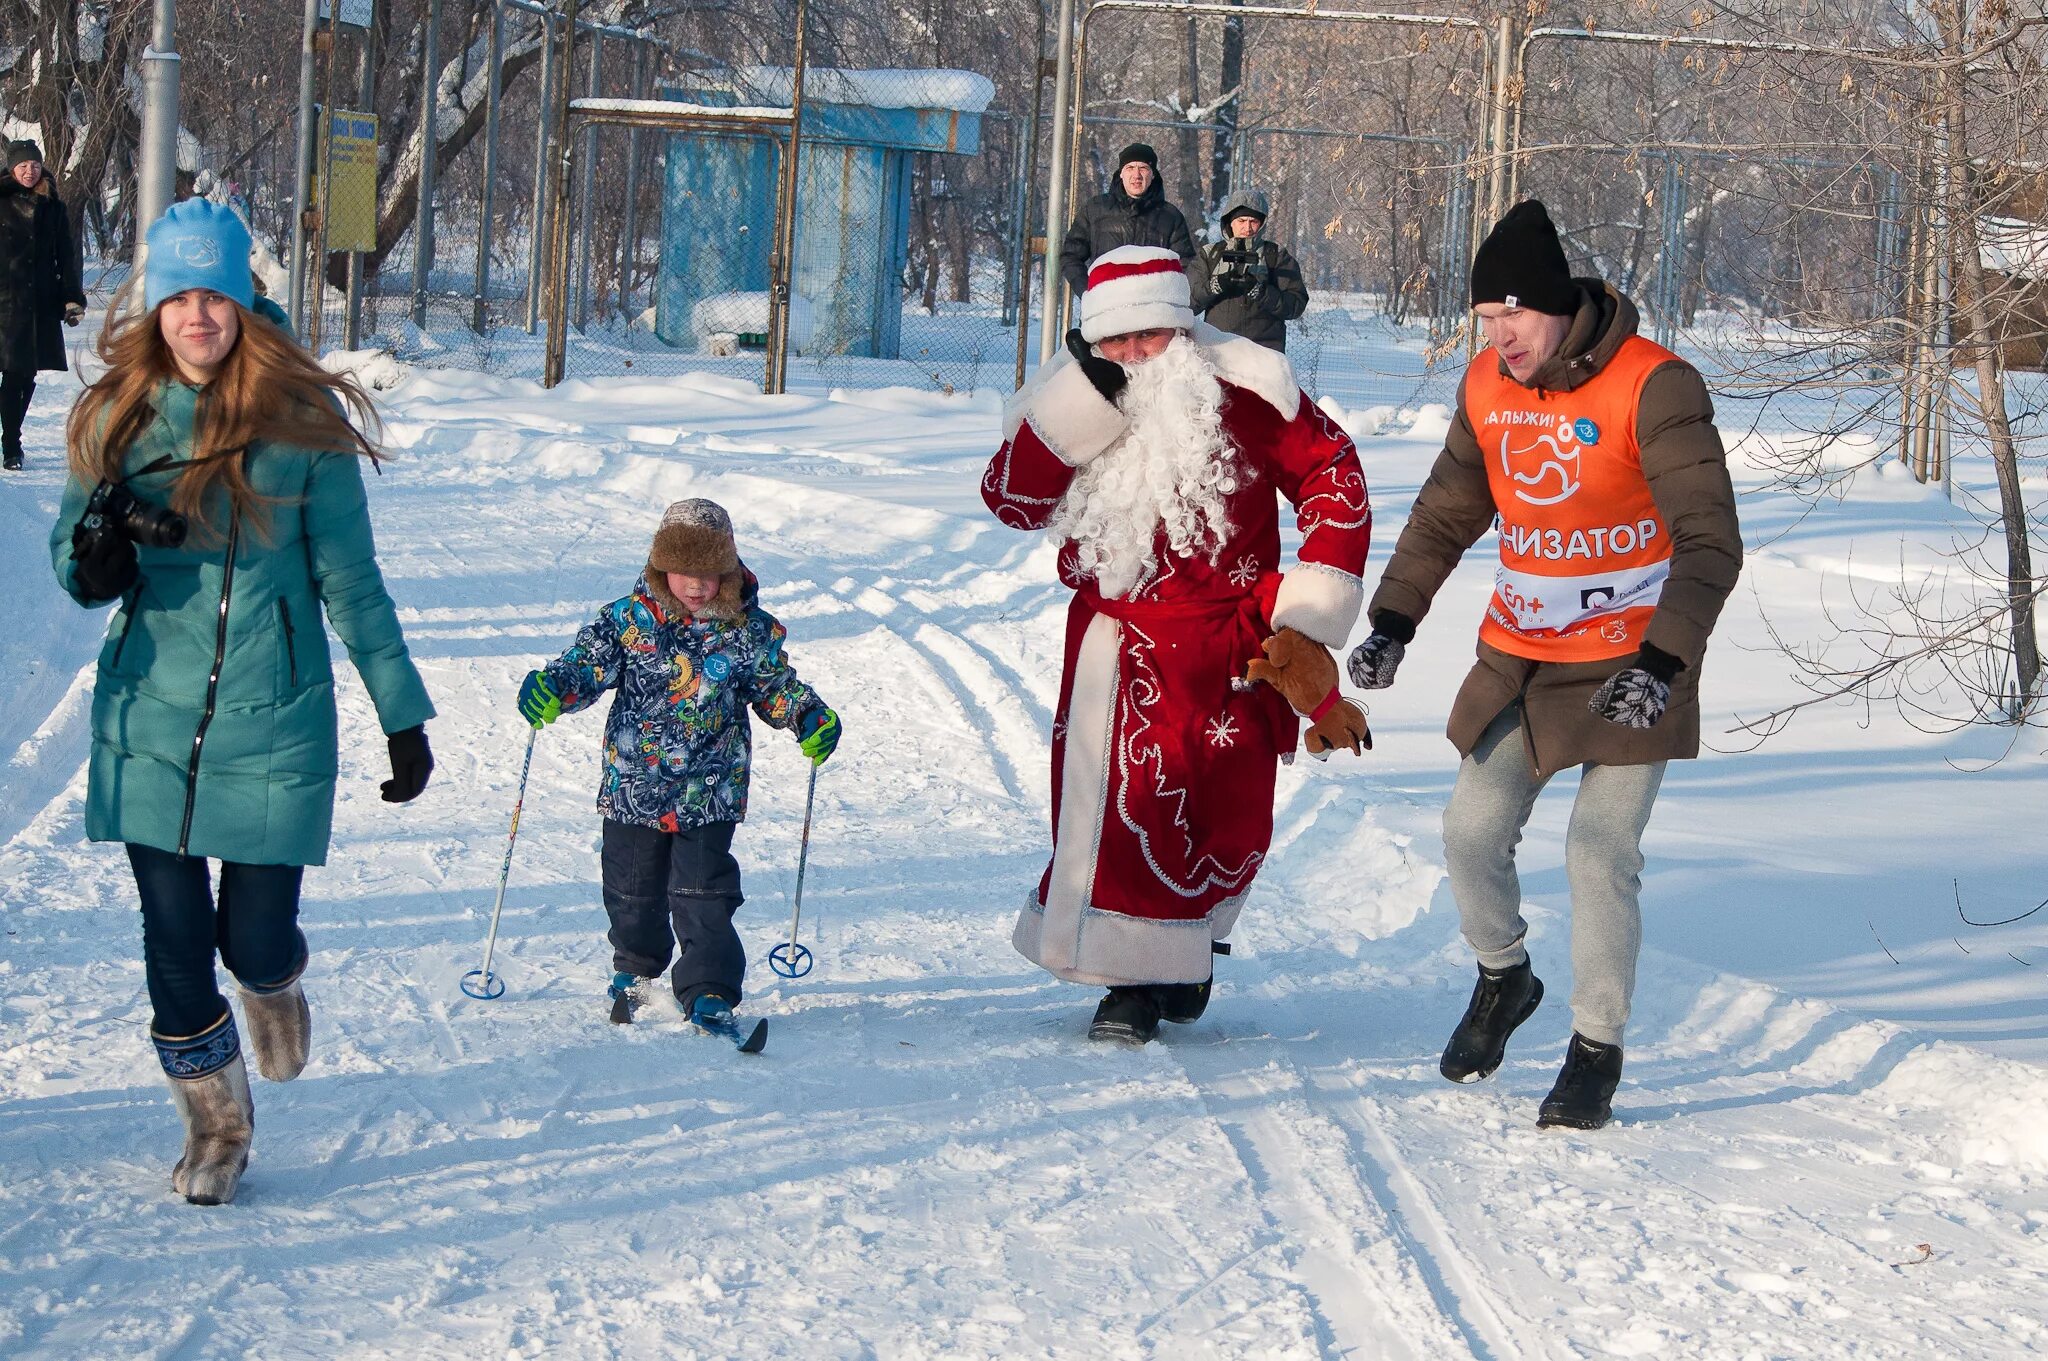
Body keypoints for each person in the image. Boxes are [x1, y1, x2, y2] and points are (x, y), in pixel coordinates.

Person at [49, 198, 435, 1204]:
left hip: (275, 718)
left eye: (212, 294)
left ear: (241, 301)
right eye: (177, 295)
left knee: (249, 939)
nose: (196, 314)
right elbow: (76, 569)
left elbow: (352, 583)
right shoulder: (114, 420)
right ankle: (217, 1126)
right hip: (151, 717)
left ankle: (274, 975)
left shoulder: (301, 427)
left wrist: (402, 712)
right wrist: (96, 553)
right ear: (154, 305)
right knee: (172, 938)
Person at [1347, 200, 1742, 1130]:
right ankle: (1503, 977)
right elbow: (1447, 511)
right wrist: (1394, 618)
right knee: (1469, 833)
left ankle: (1595, 1049)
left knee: (1598, 854)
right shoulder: (1486, 388)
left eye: (1512, 314)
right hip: (1521, 655)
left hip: (1634, 666)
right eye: (1486, 319)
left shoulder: (1656, 386)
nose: (1500, 334)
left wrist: (1664, 659)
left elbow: (1711, 542)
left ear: (1559, 304)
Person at [983, 245, 1373, 1043]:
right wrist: (1077, 407)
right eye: (1114, 341)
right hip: (1114, 641)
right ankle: (1130, 981)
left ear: (1180, 327)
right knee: (1119, 807)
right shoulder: (1071, 397)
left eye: (1148, 338)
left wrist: (1313, 600)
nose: (1131, 356)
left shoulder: (1243, 390)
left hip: (1228, 644)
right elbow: (1011, 499)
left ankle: (1183, 951)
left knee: (1221, 813)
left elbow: (1332, 470)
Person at [516, 498, 841, 1031]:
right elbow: (585, 666)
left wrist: (807, 714)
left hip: (710, 791)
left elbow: (774, 686)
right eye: (685, 571)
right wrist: (554, 686)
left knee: (704, 893)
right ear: (660, 567)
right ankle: (637, 970)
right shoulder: (627, 621)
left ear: (728, 571)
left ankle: (708, 987)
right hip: (632, 786)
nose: (697, 585)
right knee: (631, 889)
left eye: (710, 574)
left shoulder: (748, 630)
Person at [0, 139, 85, 469]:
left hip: (41, 299)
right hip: (6, 299)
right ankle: (11, 446)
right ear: (12, 168)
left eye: (34, 165)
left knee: (28, 374)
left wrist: (71, 298)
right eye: (22, 165)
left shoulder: (53, 206)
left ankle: (11, 434)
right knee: (12, 371)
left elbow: (66, 256)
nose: (29, 170)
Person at [1057, 143, 1196, 302]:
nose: (1136, 175)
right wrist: (1089, 292)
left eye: (1143, 168)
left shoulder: (1170, 217)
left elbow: (1185, 266)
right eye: (1130, 167)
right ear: (1121, 173)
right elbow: (1070, 256)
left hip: (1150, 310)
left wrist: (1164, 300)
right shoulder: (1096, 209)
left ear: (1153, 175)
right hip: (1104, 308)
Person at [1188, 188, 1308, 352]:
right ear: (1230, 222)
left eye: (1253, 221)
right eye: (1241, 220)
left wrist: (1260, 292)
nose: (1247, 228)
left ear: (1262, 224)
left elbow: (1296, 305)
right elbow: (1189, 302)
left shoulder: (1276, 256)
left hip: (1264, 351)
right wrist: (1216, 285)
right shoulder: (1211, 255)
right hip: (1219, 349)